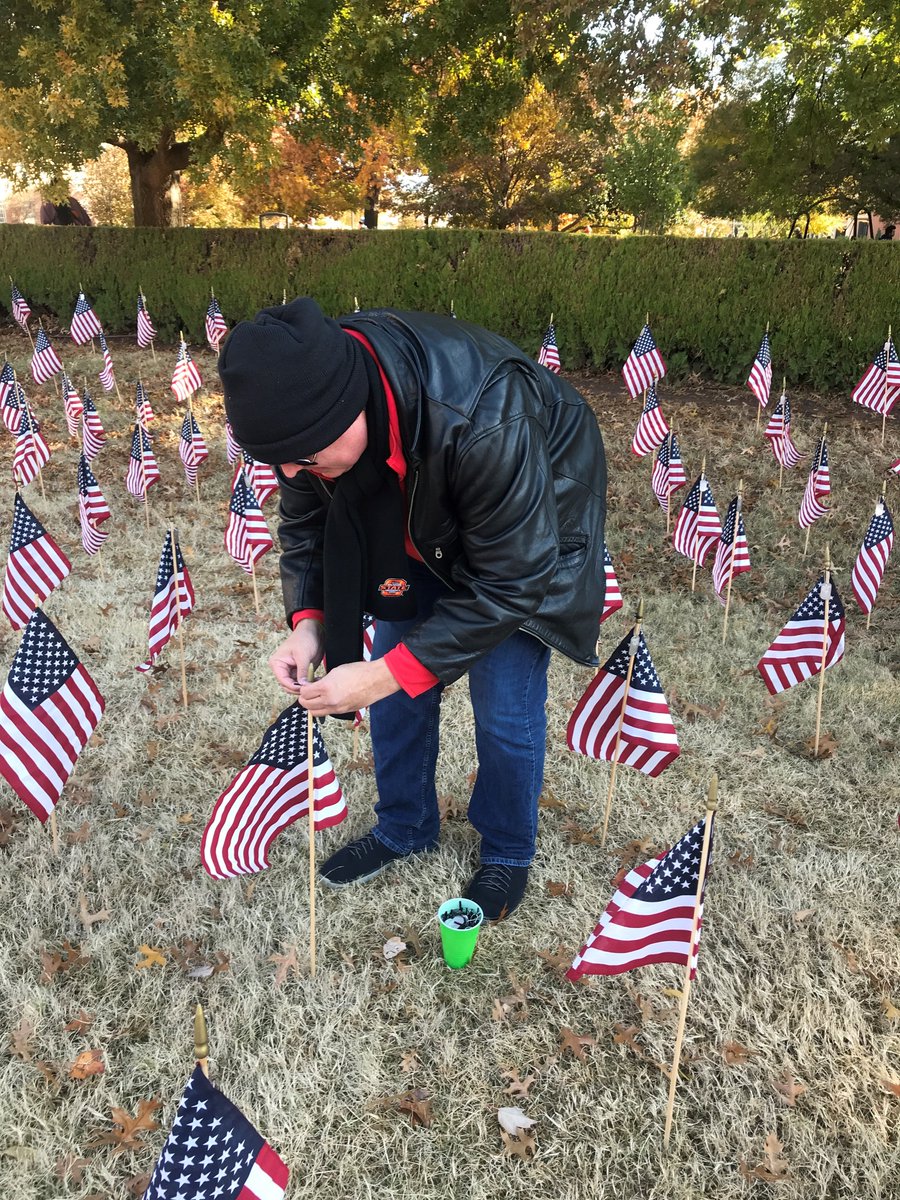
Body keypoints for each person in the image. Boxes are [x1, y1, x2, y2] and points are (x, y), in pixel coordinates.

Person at [218, 299, 607, 920]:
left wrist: (380, 673)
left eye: (303, 457)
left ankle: (507, 851)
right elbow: (305, 524)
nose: (291, 471)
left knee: (504, 705)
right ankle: (405, 826)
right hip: (412, 517)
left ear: (350, 408)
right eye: (277, 459)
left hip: (529, 518)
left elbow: (513, 579)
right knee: (396, 684)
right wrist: (310, 626)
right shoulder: (301, 419)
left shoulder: (487, 415)